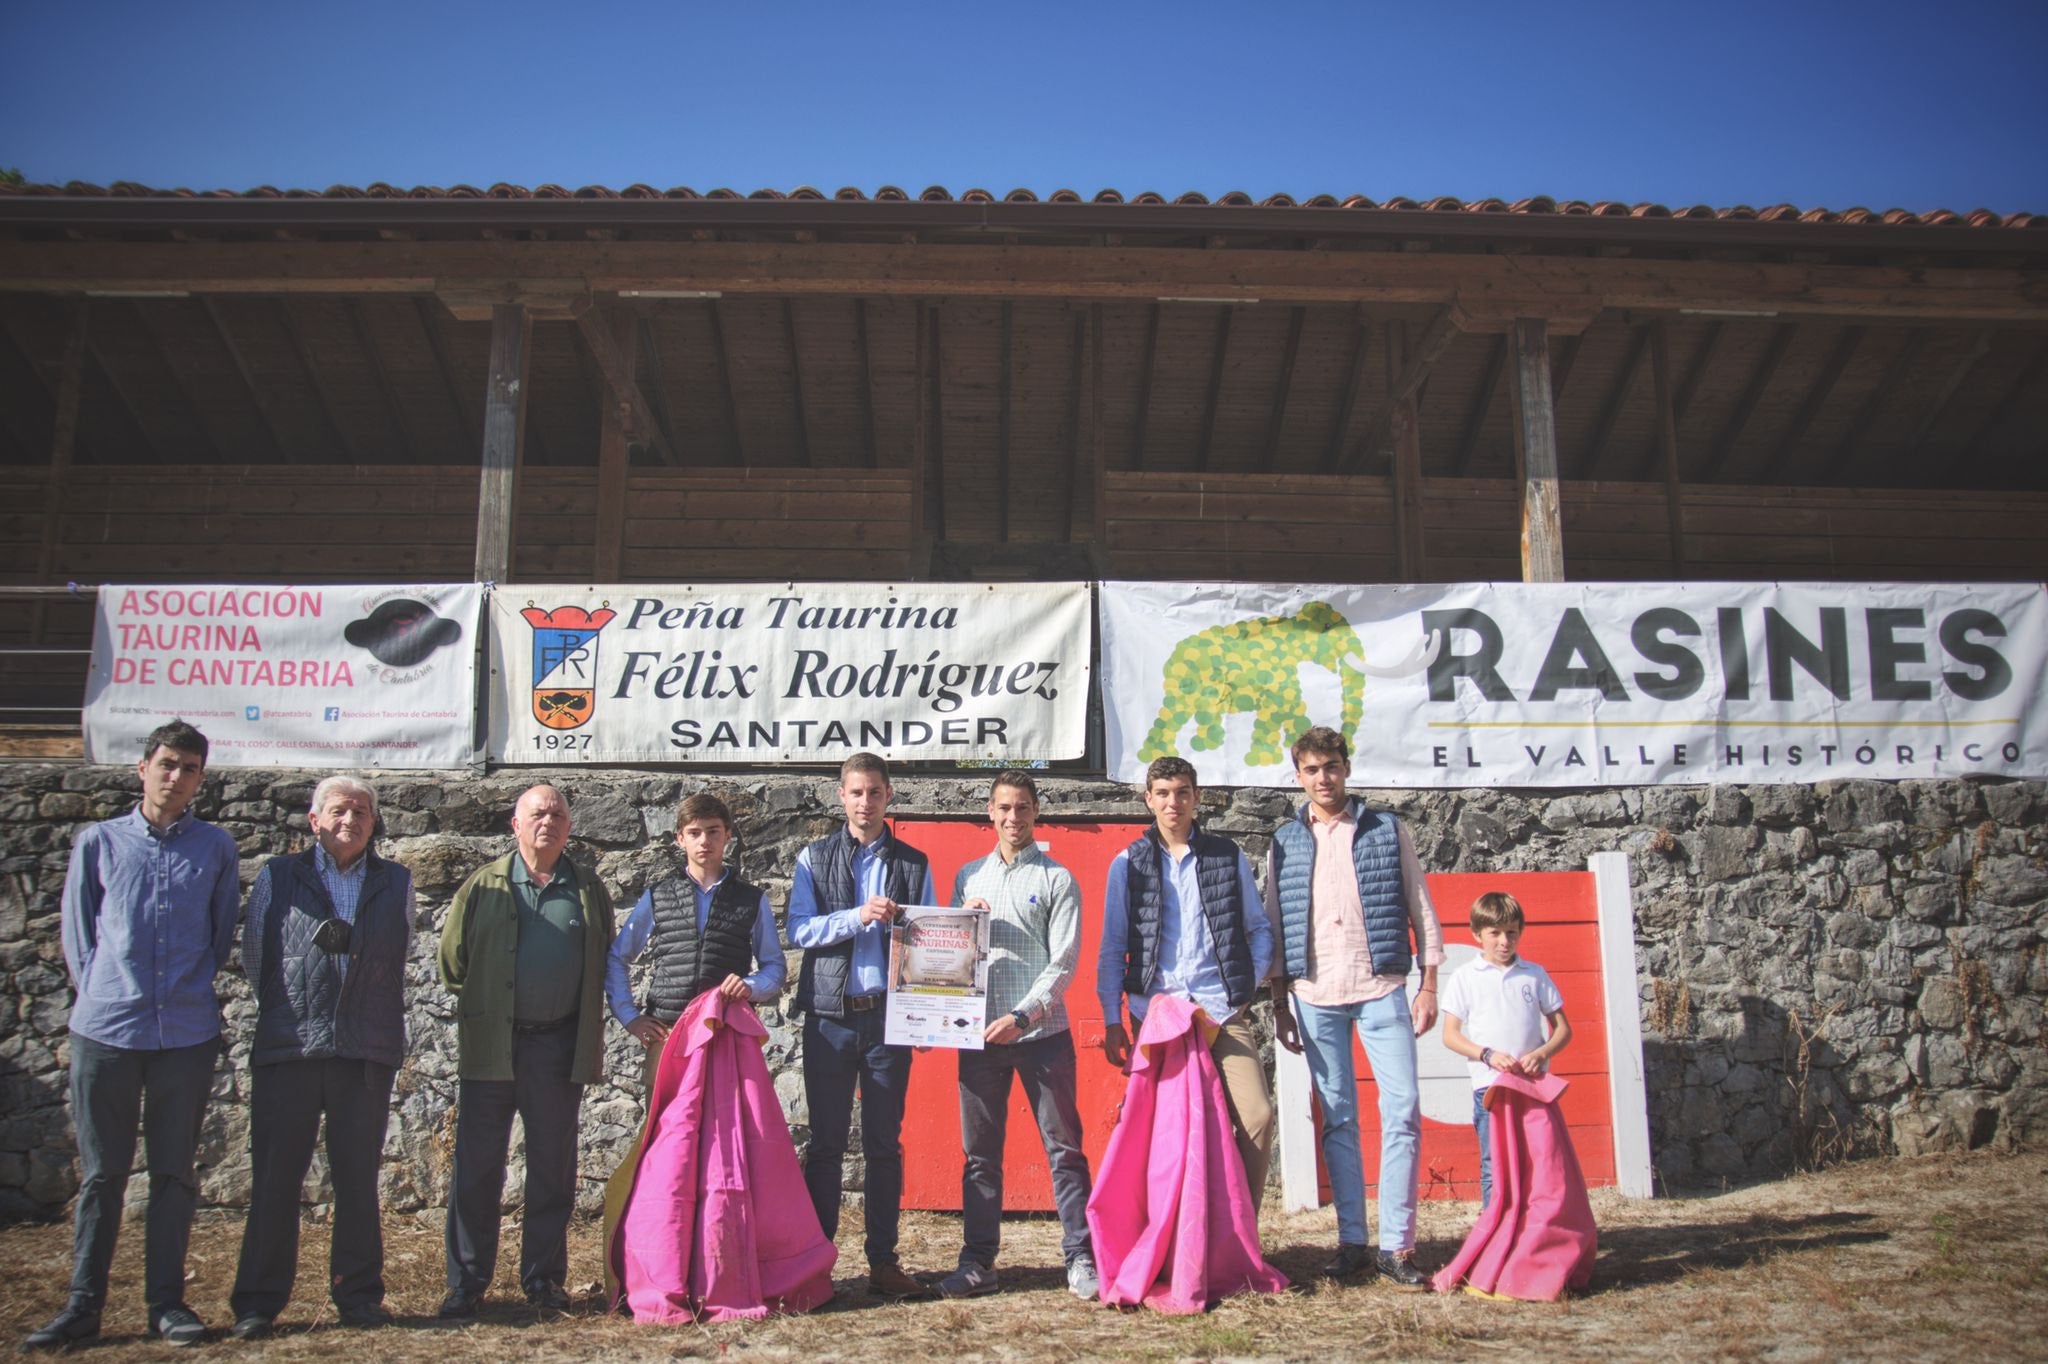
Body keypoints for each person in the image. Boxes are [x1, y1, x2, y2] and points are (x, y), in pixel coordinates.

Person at [29, 720, 239, 1351]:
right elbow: (80, 938)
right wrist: (105, 992)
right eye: (168, 764)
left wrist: (186, 990)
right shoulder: (100, 842)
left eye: (190, 769)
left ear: (201, 780)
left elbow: (219, 931)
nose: (177, 777)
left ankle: (166, 1305)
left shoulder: (215, 847)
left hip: (185, 1034)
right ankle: (83, 1306)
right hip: (108, 1032)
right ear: (143, 767)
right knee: (102, 1176)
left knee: (175, 1174)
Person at [228, 776, 414, 1340]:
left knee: (357, 1180)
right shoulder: (279, 877)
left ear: (373, 822)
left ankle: (358, 1297)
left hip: (364, 1051)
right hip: (292, 1050)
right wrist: (298, 1016)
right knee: (276, 1179)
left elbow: (398, 956)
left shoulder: (396, 881)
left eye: (361, 811)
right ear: (314, 820)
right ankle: (259, 1302)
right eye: (338, 810)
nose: (350, 820)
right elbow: (256, 957)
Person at [1266, 725, 1444, 1287]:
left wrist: (1430, 982)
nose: (1324, 778)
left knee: (1404, 1110)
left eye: (1332, 766)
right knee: (1338, 1120)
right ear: (1299, 776)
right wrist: (1278, 1001)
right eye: (1312, 770)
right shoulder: (1283, 840)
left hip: (1382, 986)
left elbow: (1418, 899)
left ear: (1346, 768)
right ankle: (1352, 1243)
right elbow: (1274, 919)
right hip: (1314, 993)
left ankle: (1397, 1245)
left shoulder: (1388, 829)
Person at [437, 784, 616, 1320]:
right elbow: (453, 963)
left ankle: (543, 1279)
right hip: (494, 1046)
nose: (549, 821)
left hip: (558, 1047)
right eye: (537, 813)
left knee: (552, 1168)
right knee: (476, 1166)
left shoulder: (586, 888)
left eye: (559, 813)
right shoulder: (484, 885)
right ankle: (466, 1283)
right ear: (515, 824)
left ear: (569, 826)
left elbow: (604, 957)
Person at [938, 772, 1097, 1301]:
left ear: (1036, 812)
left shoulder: (1057, 879)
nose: (1013, 817)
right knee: (979, 1155)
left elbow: (1064, 962)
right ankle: (979, 1263)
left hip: (1041, 1035)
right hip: (980, 1037)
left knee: (1065, 1149)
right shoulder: (968, 877)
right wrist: (964, 922)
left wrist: (1024, 1017)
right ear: (989, 811)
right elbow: (950, 958)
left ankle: (1081, 1258)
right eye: (1004, 807)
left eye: (1023, 807)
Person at [786, 753, 935, 1302]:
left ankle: (883, 1263)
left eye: (874, 792)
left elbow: (933, 941)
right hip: (830, 1019)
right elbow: (798, 930)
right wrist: (858, 917)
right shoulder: (814, 856)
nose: (865, 802)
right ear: (841, 797)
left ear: (888, 796)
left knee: (883, 1145)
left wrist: (928, 1011)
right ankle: (817, 1263)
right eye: (855, 793)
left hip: (888, 1020)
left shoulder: (915, 862)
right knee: (824, 1145)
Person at [1097, 756, 1275, 1205]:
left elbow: (1258, 930)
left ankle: (1239, 1232)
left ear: (1196, 798)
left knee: (1257, 1115)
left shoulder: (1226, 854)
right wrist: (1111, 1019)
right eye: (1162, 793)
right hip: (1157, 1013)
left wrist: (1244, 989)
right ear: (1148, 800)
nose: (1172, 802)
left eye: (1181, 793)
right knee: (1165, 1132)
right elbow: (1113, 944)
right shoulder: (1127, 863)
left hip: (1220, 1006)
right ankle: (1173, 1237)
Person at [605, 792, 786, 1078]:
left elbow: (775, 968)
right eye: (694, 832)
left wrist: (750, 986)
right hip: (668, 1031)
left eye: (713, 831)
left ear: (727, 835)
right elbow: (619, 956)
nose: (704, 841)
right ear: (680, 838)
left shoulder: (752, 899)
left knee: (725, 1123)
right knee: (666, 1122)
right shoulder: (658, 896)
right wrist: (630, 1017)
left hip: (726, 1031)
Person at [1438, 891, 1573, 1209]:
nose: (1504, 941)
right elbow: (1450, 1035)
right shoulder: (1464, 977)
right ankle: (1496, 1230)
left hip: (1533, 1086)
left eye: (1511, 932)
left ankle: (1535, 1231)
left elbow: (1563, 1029)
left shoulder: (1534, 974)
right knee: (1494, 1164)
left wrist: (1541, 1054)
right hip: (1491, 1087)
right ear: (1477, 935)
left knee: (1541, 1159)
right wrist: (1486, 1054)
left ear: (1520, 932)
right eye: (1494, 933)